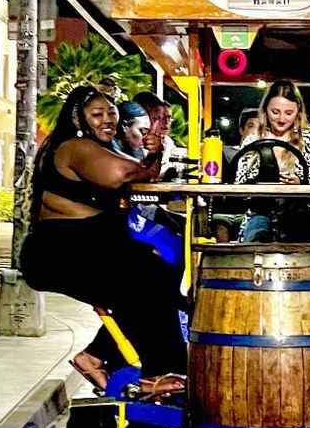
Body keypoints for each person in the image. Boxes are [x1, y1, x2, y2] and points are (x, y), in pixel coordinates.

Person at [20, 85, 186, 394]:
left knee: (158, 281)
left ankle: (97, 357)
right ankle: (159, 371)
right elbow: (122, 174)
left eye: (112, 113)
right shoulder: (75, 146)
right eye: (97, 114)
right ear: (78, 119)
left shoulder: (97, 146)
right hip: (62, 252)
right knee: (148, 283)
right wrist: (150, 156)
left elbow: (144, 172)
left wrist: (153, 151)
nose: (107, 119)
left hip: (85, 246)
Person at [235, 80, 310, 241]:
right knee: (256, 238)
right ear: (265, 110)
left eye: (288, 113)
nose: (282, 119)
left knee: (303, 232)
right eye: (275, 112)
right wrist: (258, 185)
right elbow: (239, 185)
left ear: (298, 112)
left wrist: (301, 185)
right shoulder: (252, 141)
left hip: (304, 212)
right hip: (260, 213)